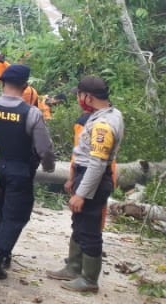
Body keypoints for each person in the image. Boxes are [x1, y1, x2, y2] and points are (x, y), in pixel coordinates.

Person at [46, 76, 124, 294]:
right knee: (80, 223)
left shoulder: (103, 125)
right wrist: (74, 179)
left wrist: (81, 193)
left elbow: (97, 164)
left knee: (89, 229)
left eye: (79, 94)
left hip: (94, 179)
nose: (79, 99)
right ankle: (74, 267)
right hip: (86, 175)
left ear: (88, 97)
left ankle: (89, 279)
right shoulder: (108, 114)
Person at [0, 64, 55, 280]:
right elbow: (44, 148)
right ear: (25, 87)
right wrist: (49, 167)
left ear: (2, 83)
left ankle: (3, 252)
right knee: (15, 214)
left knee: (0, 211)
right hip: (19, 170)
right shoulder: (31, 113)